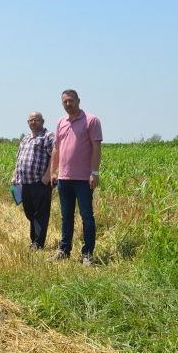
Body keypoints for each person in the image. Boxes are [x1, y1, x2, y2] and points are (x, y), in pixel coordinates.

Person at [48, 89, 103, 266]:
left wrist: (94, 173)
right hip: (65, 179)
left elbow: (96, 148)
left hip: (83, 179)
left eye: (71, 101)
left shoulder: (91, 120)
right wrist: (52, 171)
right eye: (65, 102)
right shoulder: (60, 122)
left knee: (87, 216)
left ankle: (87, 253)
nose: (68, 104)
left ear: (78, 100)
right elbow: (56, 148)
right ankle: (64, 250)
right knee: (66, 216)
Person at [10, 111, 54, 250]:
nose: (33, 122)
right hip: (25, 183)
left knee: (40, 214)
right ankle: (34, 240)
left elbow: (56, 156)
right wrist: (14, 175)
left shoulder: (48, 136)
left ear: (43, 121)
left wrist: (48, 176)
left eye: (36, 120)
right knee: (30, 213)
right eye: (30, 120)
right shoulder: (25, 139)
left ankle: (38, 244)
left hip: (40, 182)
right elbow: (19, 160)